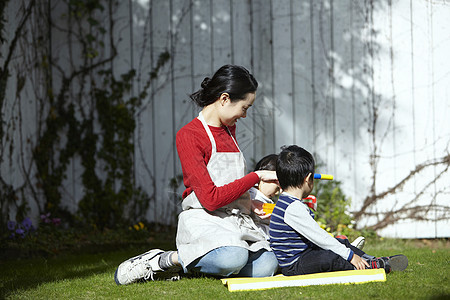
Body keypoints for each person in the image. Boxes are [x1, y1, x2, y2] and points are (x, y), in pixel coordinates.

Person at [114, 65, 279, 285]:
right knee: (234, 258)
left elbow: (229, 183)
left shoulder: (230, 130)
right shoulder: (189, 136)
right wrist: (256, 176)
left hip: (232, 219)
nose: (245, 115)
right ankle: (162, 260)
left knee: (266, 265)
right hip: (205, 218)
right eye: (244, 107)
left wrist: (251, 205)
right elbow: (211, 199)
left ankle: (200, 265)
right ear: (224, 99)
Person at [269, 145, 408, 276]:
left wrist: (347, 251)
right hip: (295, 265)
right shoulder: (293, 207)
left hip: (304, 255)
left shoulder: (287, 202)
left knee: (341, 244)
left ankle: (369, 259)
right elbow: (319, 237)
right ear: (308, 179)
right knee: (329, 257)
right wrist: (350, 256)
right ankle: (367, 265)